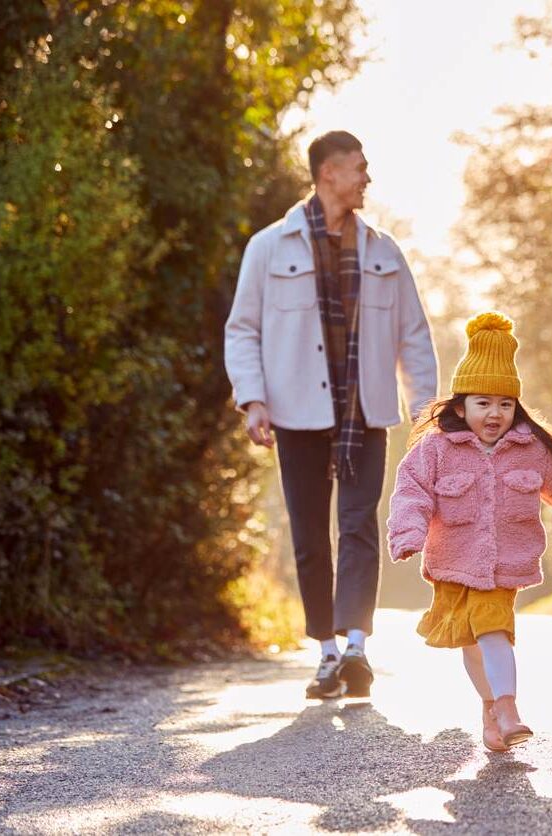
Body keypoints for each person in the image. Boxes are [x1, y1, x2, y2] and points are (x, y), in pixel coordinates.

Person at [225, 130, 437, 699]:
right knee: (311, 535)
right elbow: (243, 329)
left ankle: (358, 649)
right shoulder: (270, 248)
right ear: (327, 174)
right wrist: (253, 398)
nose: (367, 178)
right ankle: (325, 651)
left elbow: (414, 338)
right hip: (296, 413)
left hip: (366, 414)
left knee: (359, 526)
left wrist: (427, 417)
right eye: (358, 168)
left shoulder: (384, 251)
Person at [387, 312, 552, 750]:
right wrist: (408, 535)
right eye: (484, 403)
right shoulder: (435, 448)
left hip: (505, 564)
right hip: (453, 562)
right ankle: (490, 710)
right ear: (461, 406)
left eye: (505, 404)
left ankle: (508, 708)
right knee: (469, 642)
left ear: (517, 407)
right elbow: (410, 493)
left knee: (493, 628)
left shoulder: (532, 449)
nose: (495, 413)